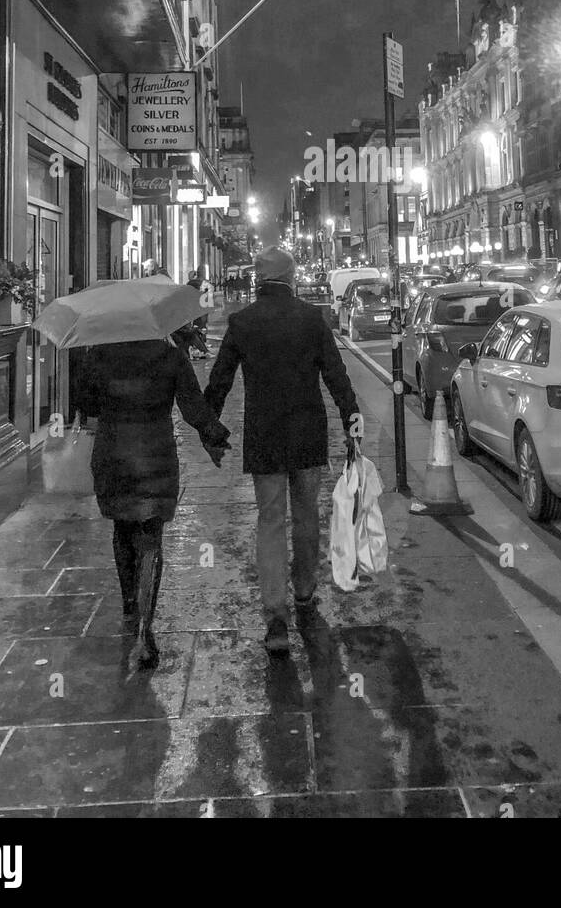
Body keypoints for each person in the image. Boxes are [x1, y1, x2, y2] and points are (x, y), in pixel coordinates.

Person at [206, 245, 361, 657]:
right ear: (291, 278)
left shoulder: (242, 322)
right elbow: (336, 375)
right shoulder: (312, 319)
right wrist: (352, 420)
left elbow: (220, 380)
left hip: (265, 436)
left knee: (270, 520)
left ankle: (275, 614)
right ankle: (306, 591)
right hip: (308, 433)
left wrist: (210, 430)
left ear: (258, 278)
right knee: (307, 514)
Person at [77, 339, 230, 672]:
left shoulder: (98, 354)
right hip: (154, 457)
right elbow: (192, 406)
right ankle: (146, 624)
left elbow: (86, 404)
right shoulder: (170, 355)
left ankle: (130, 604)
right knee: (150, 538)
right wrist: (213, 435)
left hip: (113, 455)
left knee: (122, 528)